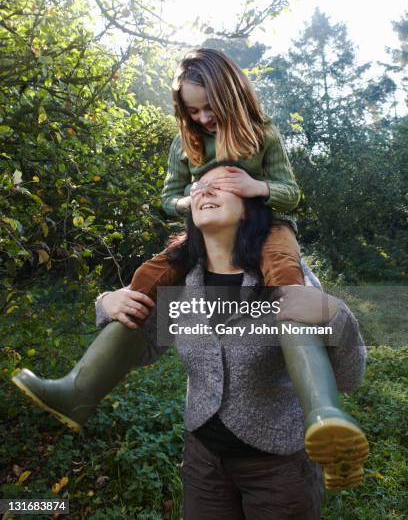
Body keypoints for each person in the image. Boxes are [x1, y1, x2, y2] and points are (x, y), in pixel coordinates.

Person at [12, 165, 368, 504]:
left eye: (223, 184)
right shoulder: (182, 280)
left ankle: (326, 416)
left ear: (249, 207)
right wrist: (108, 301)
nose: (205, 190)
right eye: (198, 186)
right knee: (136, 306)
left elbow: (350, 375)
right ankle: (76, 391)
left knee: (294, 306)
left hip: (279, 468)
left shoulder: (285, 272)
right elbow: (144, 348)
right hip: (204, 464)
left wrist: (333, 314)